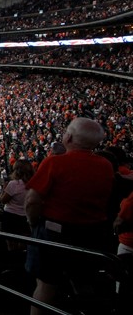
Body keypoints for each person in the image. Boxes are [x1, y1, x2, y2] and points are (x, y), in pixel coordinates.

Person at [24, 117, 114, 315]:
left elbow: (32, 201)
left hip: (54, 233)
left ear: (69, 137)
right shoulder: (106, 165)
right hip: (92, 235)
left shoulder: (55, 162)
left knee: (46, 285)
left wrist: (32, 222)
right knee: (82, 284)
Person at [0, 159, 34, 252]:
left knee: (11, 244)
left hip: (11, 216)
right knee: (23, 242)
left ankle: (12, 261)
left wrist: (4, 189)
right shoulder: (34, 183)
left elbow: (3, 200)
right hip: (26, 217)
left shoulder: (14, 184)